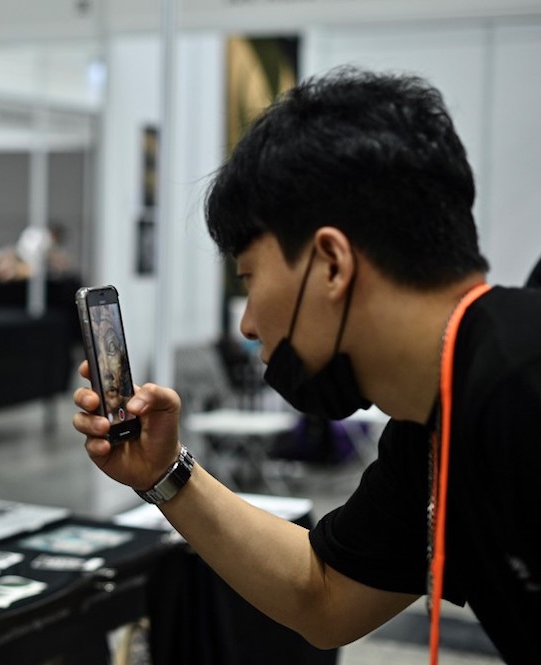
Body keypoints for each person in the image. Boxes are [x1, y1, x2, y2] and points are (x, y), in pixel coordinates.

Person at [73, 66, 541, 663]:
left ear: (330, 264)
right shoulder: (429, 430)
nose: (247, 324)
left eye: (249, 277)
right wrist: (163, 473)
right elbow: (326, 595)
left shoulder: (522, 396)